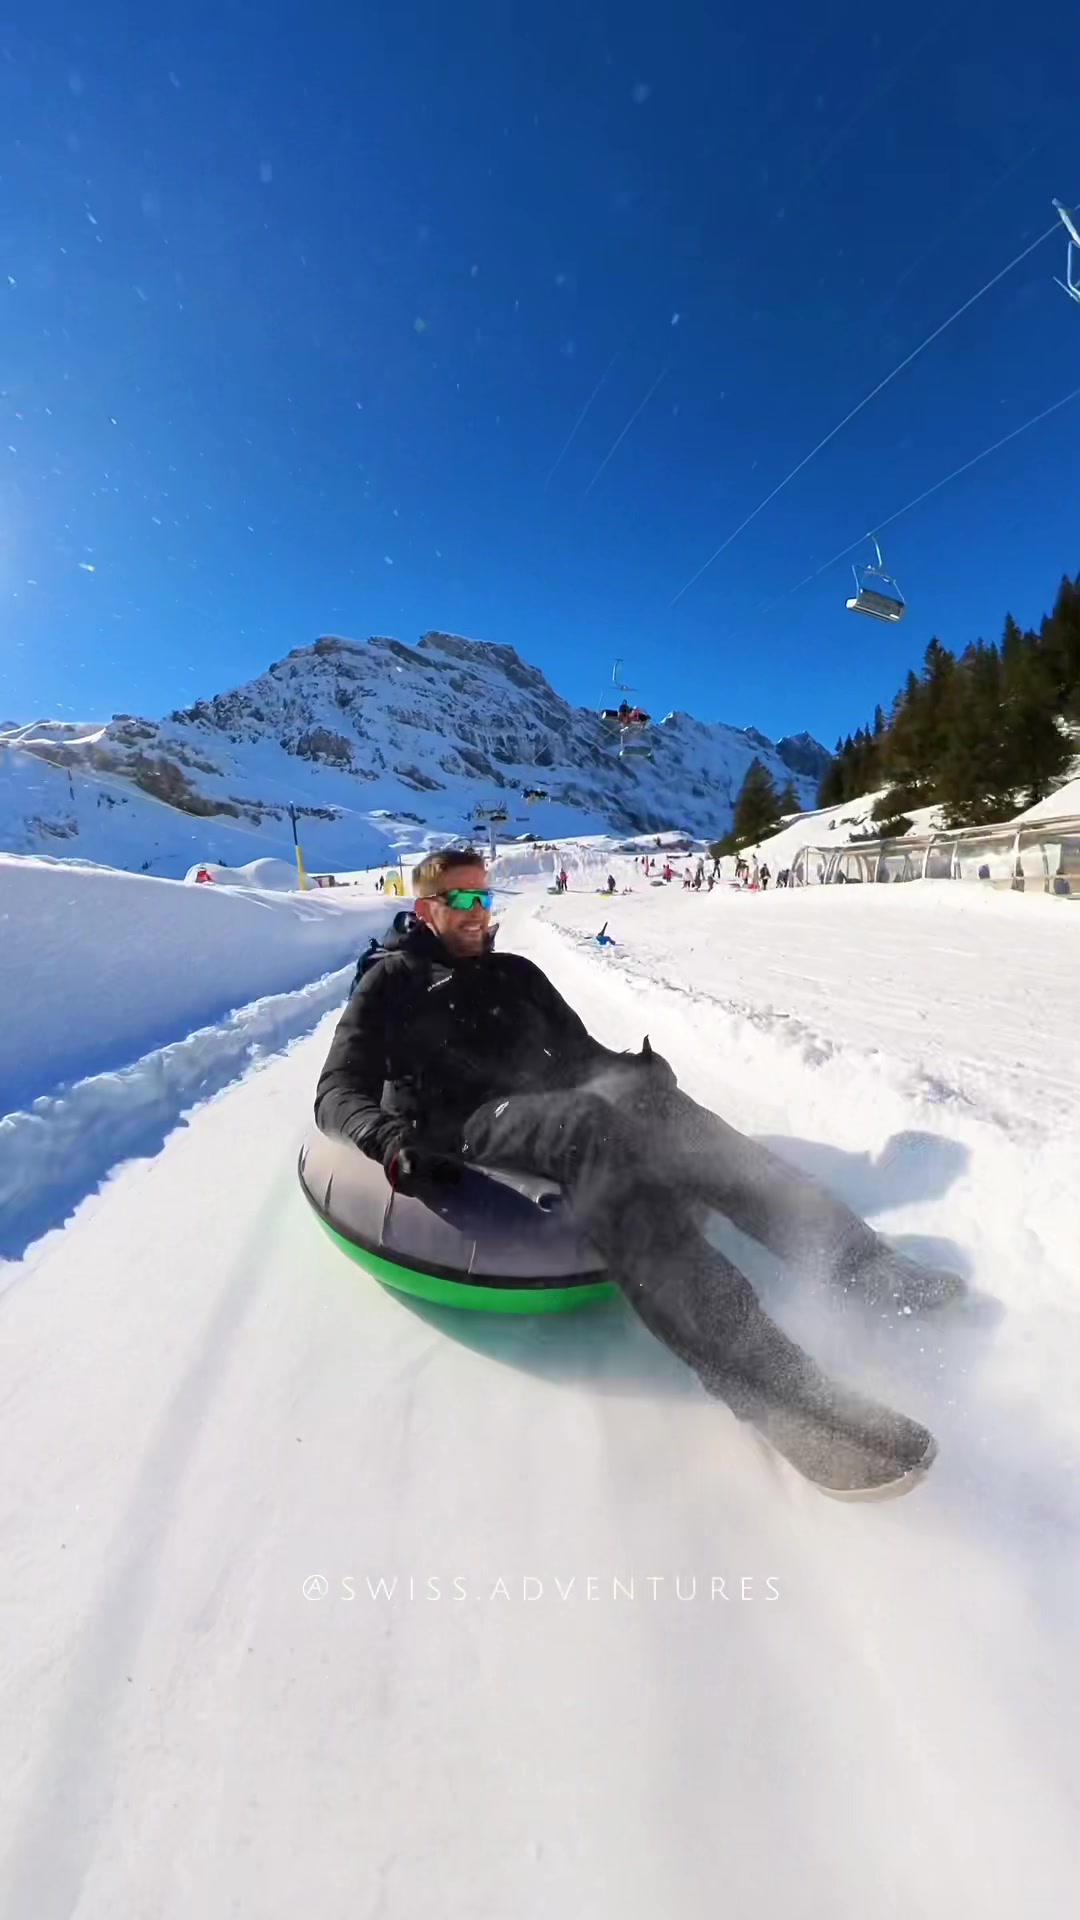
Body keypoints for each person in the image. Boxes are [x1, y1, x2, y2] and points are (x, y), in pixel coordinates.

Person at [315, 847, 963, 1498]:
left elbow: (579, 1055)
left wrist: (632, 1075)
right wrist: (388, 1139)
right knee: (584, 1124)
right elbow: (337, 1089)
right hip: (464, 1121)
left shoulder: (516, 973)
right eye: (461, 900)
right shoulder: (392, 981)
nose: (477, 912)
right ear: (426, 909)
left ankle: (860, 1264)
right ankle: (779, 1389)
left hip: (541, 1096)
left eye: (483, 898)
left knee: (657, 1106)